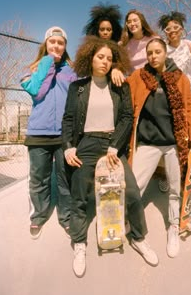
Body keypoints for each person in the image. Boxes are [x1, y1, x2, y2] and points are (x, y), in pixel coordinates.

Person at [62, 36, 159, 278]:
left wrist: (115, 146)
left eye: (109, 58)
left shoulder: (120, 85)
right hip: (85, 144)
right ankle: (79, 244)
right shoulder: (78, 87)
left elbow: (127, 117)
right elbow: (69, 119)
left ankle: (138, 238)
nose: (105, 62)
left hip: (112, 145)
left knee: (133, 193)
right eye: (100, 57)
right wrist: (68, 146)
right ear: (90, 58)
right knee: (79, 196)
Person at [126, 37, 191, 258]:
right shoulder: (139, 76)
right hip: (148, 143)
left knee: (174, 189)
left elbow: (189, 107)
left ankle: (173, 227)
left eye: (157, 52)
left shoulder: (180, 78)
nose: (153, 56)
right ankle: (130, 222)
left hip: (173, 144)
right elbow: (122, 88)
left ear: (165, 53)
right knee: (135, 187)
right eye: (149, 53)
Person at [20, 26, 77, 240]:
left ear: (65, 46)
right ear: (45, 44)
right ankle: (39, 216)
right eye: (52, 42)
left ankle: (67, 216)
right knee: (39, 179)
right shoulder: (32, 69)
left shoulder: (72, 72)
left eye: (60, 43)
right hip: (38, 134)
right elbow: (37, 91)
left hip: (65, 135)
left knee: (65, 179)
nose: (56, 45)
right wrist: (48, 63)